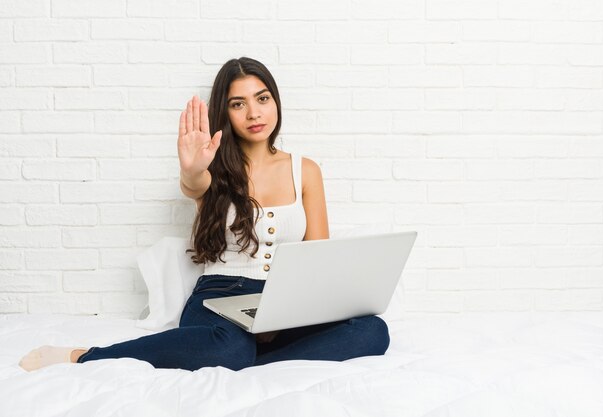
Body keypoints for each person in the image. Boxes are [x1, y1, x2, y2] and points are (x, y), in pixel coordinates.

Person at [18, 57, 390, 372]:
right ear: (224, 112)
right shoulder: (213, 166)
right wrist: (192, 168)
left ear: (276, 102)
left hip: (286, 301)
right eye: (238, 103)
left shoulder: (305, 170)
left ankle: (248, 361)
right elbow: (194, 184)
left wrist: (286, 316)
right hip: (220, 298)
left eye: (262, 98)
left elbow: (317, 258)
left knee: (373, 331)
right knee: (228, 346)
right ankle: (86, 356)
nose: (254, 112)